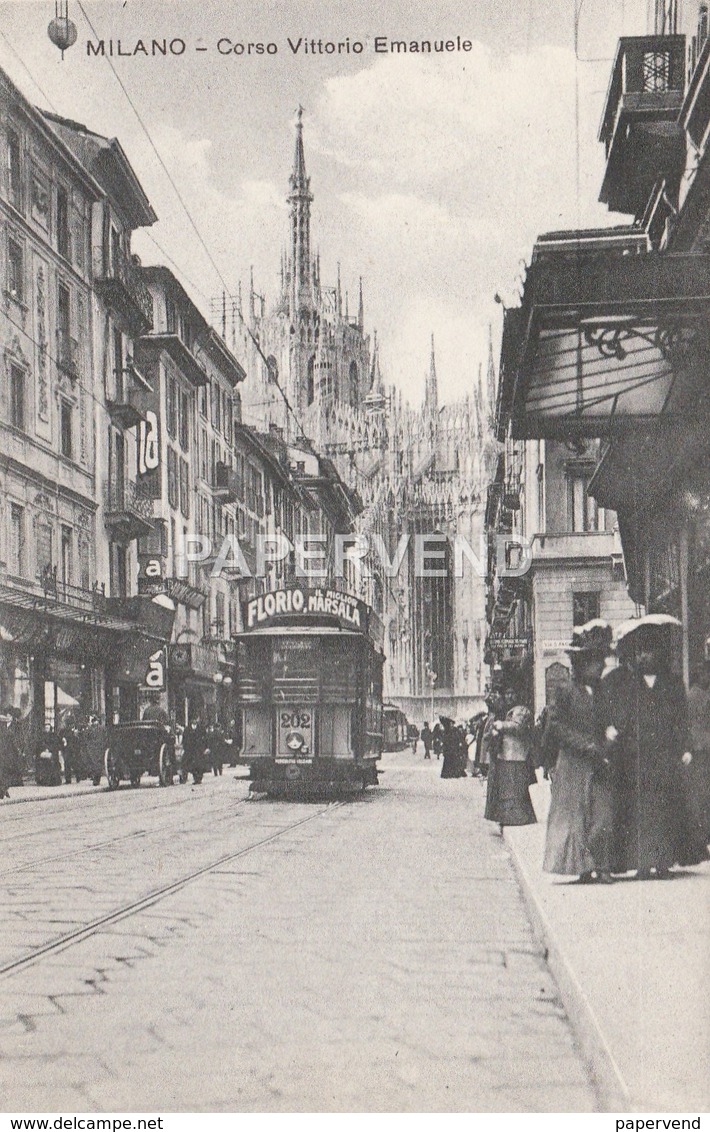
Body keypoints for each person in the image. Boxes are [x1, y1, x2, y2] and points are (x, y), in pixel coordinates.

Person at [599, 616, 708, 878]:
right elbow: (617, 714)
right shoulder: (626, 683)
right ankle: (641, 863)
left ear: (659, 653)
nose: (646, 656)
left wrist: (686, 748)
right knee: (636, 812)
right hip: (633, 758)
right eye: (642, 652)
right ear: (635, 655)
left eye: (651, 651)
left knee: (664, 810)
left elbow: (681, 719)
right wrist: (613, 733)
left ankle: (663, 862)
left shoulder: (672, 683)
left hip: (664, 756)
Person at [542, 621, 614, 884]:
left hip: (600, 760)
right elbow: (556, 727)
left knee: (602, 812)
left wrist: (609, 736)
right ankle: (583, 867)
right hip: (573, 762)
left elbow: (609, 720)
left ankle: (603, 865)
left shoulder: (603, 691)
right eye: (597, 662)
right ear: (582, 664)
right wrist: (584, 745)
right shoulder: (564, 691)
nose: (602, 667)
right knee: (575, 816)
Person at [484, 691, 537, 829]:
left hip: (516, 755)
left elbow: (518, 727)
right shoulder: (510, 711)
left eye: (511, 694)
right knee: (507, 789)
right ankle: (507, 816)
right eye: (506, 694)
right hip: (508, 754)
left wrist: (502, 725)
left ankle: (516, 817)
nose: (508, 697)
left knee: (515, 789)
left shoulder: (521, 710)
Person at [686, 661, 710, 845]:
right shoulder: (693, 695)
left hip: (703, 747)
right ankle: (699, 838)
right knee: (700, 794)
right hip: (699, 749)